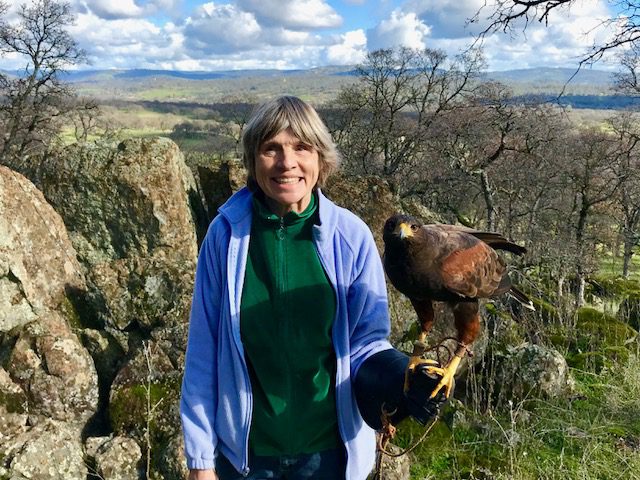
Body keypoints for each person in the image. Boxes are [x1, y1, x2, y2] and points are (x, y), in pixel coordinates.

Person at [180, 96, 443, 480]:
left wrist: (404, 375)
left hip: (328, 456)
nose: (287, 163)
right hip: (245, 458)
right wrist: (201, 459)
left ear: (321, 159)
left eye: (301, 147)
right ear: (254, 161)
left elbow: (367, 342)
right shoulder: (225, 237)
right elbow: (204, 351)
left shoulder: (350, 237)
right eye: (271, 149)